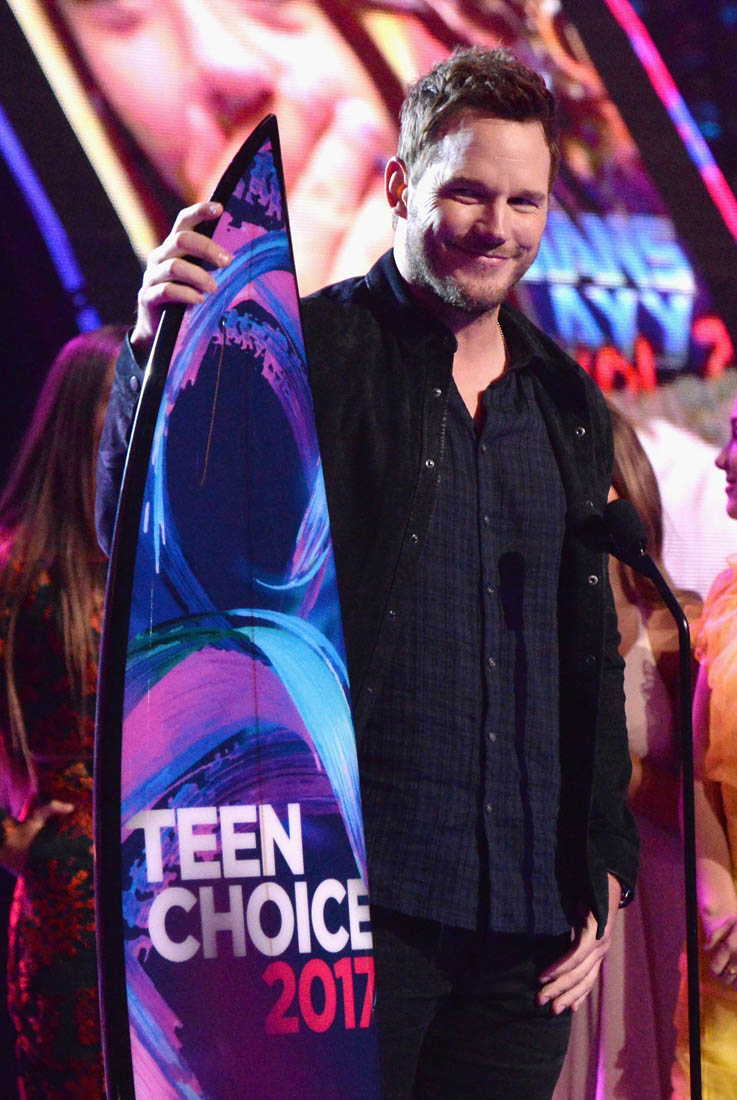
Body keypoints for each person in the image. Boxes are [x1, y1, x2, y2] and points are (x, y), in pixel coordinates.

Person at [96, 48, 638, 1099]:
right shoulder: (306, 351)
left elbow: (586, 654)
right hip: (347, 911)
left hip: (525, 936)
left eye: (523, 200)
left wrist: (604, 863)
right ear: (397, 185)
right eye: (467, 192)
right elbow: (155, 548)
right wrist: (155, 354)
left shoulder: (565, 399)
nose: (496, 226)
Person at [554, 403, 700, 1100]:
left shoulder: (678, 624)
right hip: (570, 905)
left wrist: (621, 770)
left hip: (663, 899)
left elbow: (704, 794)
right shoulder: (529, 620)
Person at [0, 325, 125, 1100]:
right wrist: (11, 839)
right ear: (83, 416)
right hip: (72, 901)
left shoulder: (171, 556)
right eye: (125, 397)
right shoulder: (19, 569)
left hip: (191, 893)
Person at [671, 393, 737, 1099]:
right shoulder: (726, 602)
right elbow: (697, 777)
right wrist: (719, 905)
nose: (722, 459)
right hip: (729, 975)